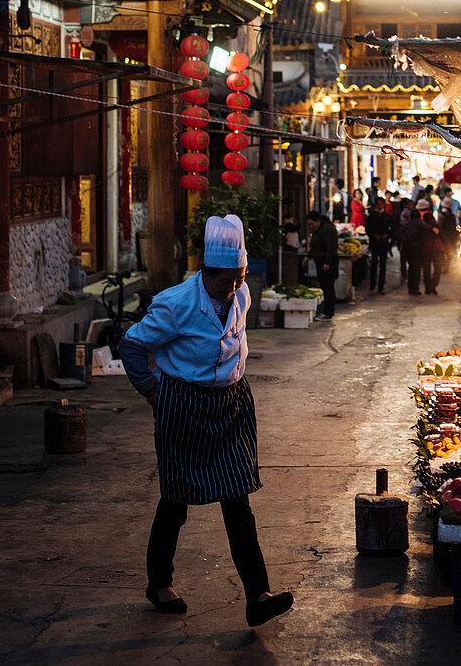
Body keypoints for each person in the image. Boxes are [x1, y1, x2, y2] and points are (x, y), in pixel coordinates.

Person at [117, 215, 293, 626]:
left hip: (229, 406)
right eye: (226, 280)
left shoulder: (243, 295)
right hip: (183, 406)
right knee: (175, 502)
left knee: (237, 502)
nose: (233, 288)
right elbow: (131, 344)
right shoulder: (175, 304)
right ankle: (159, 584)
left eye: (240, 277)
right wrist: (152, 391)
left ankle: (258, 595)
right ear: (207, 271)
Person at [306, 211, 339, 319]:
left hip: (327, 262)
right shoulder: (318, 230)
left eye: (312, 224)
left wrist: (327, 263)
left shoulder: (327, 229)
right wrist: (308, 256)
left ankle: (329, 311)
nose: (311, 227)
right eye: (309, 224)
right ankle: (326, 310)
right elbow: (314, 245)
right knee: (324, 286)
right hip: (319, 260)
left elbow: (331, 247)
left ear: (318, 221)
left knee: (328, 286)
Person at [394, 210, 431, 295]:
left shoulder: (407, 225)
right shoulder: (419, 223)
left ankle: (411, 288)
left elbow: (397, 234)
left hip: (407, 249)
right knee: (416, 269)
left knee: (411, 269)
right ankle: (415, 289)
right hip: (416, 249)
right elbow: (428, 228)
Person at [365, 196, 392, 293]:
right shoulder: (372, 217)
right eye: (378, 204)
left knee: (383, 265)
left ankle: (381, 286)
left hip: (384, 244)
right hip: (374, 243)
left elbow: (392, 229)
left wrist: (387, 236)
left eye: (381, 204)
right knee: (374, 264)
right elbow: (368, 229)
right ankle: (372, 285)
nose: (379, 205)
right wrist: (374, 235)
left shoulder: (387, 216)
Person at [438, 207, 458, 273]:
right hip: (450, 237)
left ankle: (445, 266)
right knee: (448, 253)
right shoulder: (452, 216)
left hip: (444, 237)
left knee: (444, 252)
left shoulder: (441, 215)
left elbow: (439, 225)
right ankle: (446, 267)